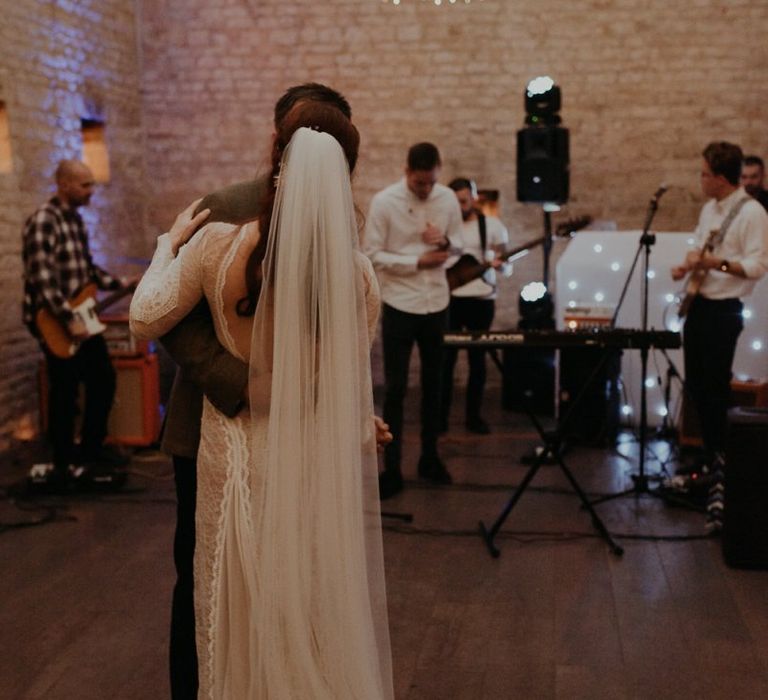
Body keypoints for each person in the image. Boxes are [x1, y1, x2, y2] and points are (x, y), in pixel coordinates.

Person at [130, 103, 393, 698]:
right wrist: (357, 423)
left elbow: (146, 319)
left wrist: (165, 246)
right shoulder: (357, 277)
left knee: (227, 597)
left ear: (277, 156)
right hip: (306, 457)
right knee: (303, 596)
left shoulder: (216, 244)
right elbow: (339, 382)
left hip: (231, 453)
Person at [364, 142, 463, 499]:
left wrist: (446, 242)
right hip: (400, 302)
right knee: (395, 388)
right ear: (407, 172)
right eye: (419, 183)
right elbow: (371, 254)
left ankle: (430, 457)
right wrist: (417, 262)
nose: (425, 190)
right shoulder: (384, 202)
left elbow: (461, 247)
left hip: (437, 302)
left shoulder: (448, 199)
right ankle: (391, 468)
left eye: (430, 183)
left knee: (435, 386)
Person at [21, 159, 129, 488]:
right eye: (85, 185)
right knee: (65, 392)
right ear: (64, 184)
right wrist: (69, 321)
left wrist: (121, 283)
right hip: (54, 322)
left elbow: (86, 272)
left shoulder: (76, 221)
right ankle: (63, 462)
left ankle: (90, 452)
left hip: (79, 321)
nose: (91, 190)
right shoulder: (44, 221)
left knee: (103, 381)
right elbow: (42, 280)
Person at [671, 142, 768, 495]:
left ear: (722, 178)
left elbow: (758, 266)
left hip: (724, 310)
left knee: (715, 386)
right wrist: (688, 264)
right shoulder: (710, 210)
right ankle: (708, 454)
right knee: (696, 385)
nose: (701, 180)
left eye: (705, 174)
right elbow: (700, 245)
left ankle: (723, 460)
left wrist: (717, 264)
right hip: (700, 304)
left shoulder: (752, 213)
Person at [440, 177, 509, 435]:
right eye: (455, 201)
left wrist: (501, 264)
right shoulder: (443, 226)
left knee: (477, 360)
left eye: (464, 200)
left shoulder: (492, 226)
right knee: (446, 361)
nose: (460, 206)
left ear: (474, 198)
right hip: (451, 298)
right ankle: (440, 419)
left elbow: (507, 263)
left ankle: (474, 418)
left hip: (482, 300)